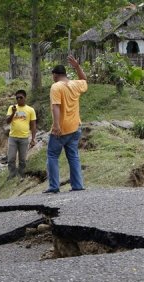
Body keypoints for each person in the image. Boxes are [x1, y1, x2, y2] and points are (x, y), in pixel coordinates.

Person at [43, 55, 88, 193]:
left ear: (55, 75)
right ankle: (77, 185)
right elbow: (84, 80)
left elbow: (56, 106)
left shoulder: (56, 87)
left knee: (52, 155)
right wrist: (77, 66)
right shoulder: (75, 84)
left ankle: (54, 186)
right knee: (73, 156)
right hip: (75, 128)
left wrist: (56, 125)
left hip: (62, 129)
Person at [5, 89, 37, 178]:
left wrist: (33, 139)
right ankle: (12, 175)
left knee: (22, 159)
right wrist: (13, 113)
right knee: (11, 158)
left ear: (25, 98)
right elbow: (7, 121)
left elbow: (33, 125)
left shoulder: (30, 110)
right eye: (17, 98)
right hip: (12, 137)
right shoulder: (12, 108)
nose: (19, 99)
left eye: (21, 97)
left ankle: (21, 175)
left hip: (24, 138)